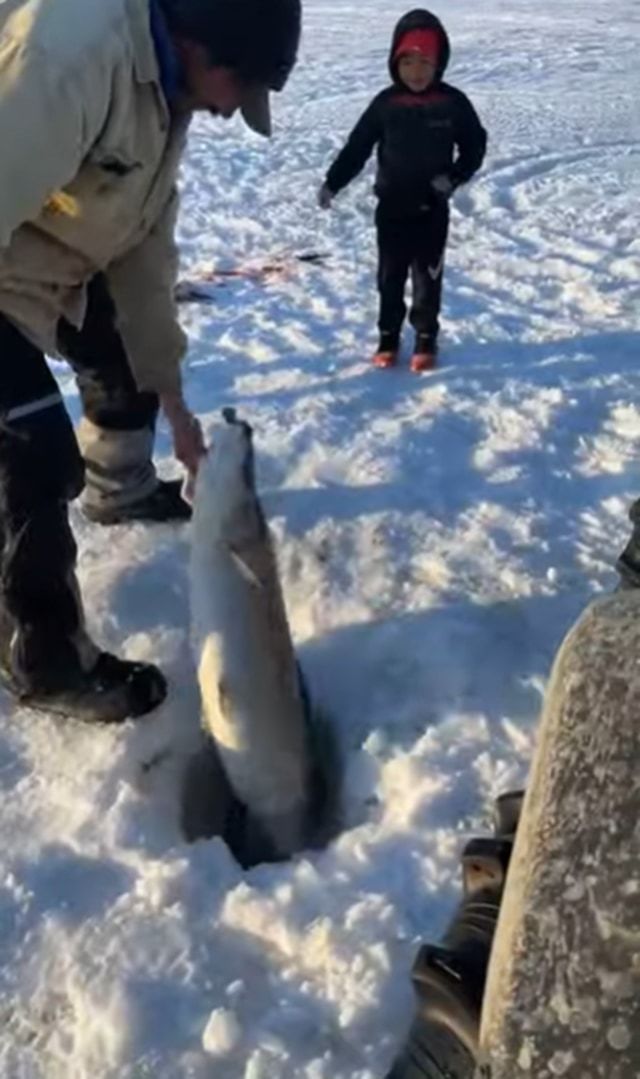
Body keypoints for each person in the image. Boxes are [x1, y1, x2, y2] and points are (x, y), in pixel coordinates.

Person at [0, 0, 301, 723]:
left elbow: (142, 255)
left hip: (40, 251)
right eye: (243, 89)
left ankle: (120, 484)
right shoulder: (69, 57)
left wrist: (169, 391)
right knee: (30, 447)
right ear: (204, 48)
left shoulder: (167, 92)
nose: (236, 112)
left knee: (130, 352)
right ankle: (41, 656)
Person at [318, 9, 487, 372]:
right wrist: (333, 182)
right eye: (407, 61)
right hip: (392, 208)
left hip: (431, 208)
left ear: (439, 63)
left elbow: (475, 144)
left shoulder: (452, 103)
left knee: (428, 276)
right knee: (390, 277)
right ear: (395, 62)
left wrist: (455, 176)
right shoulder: (386, 104)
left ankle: (426, 337)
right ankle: (388, 336)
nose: (416, 71)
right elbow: (358, 147)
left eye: (425, 62)